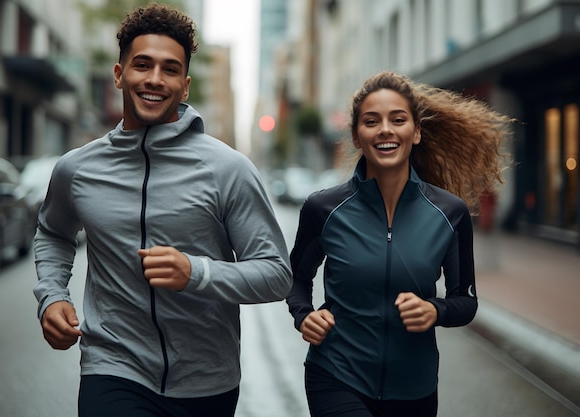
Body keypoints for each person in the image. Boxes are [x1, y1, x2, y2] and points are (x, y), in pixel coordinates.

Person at [33, 4, 292, 417]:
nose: (155, 79)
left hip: (207, 381)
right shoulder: (78, 169)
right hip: (113, 369)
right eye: (142, 65)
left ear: (185, 86)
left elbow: (276, 274)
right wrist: (51, 295)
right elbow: (52, 232)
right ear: (119, 75)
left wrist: (197, 272)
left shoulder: (229, 170)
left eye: (170, 69)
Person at [286, 71, 513, 417]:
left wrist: (434, 310)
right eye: (371, 121)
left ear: (416, 131)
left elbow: (465, 301)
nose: (385, 130)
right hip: (336, 375)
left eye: (398, 119)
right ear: (357, 136)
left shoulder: (448, 213)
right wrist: (304, 316)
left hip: (415, 389)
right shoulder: (323, 209)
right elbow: (296, 279)